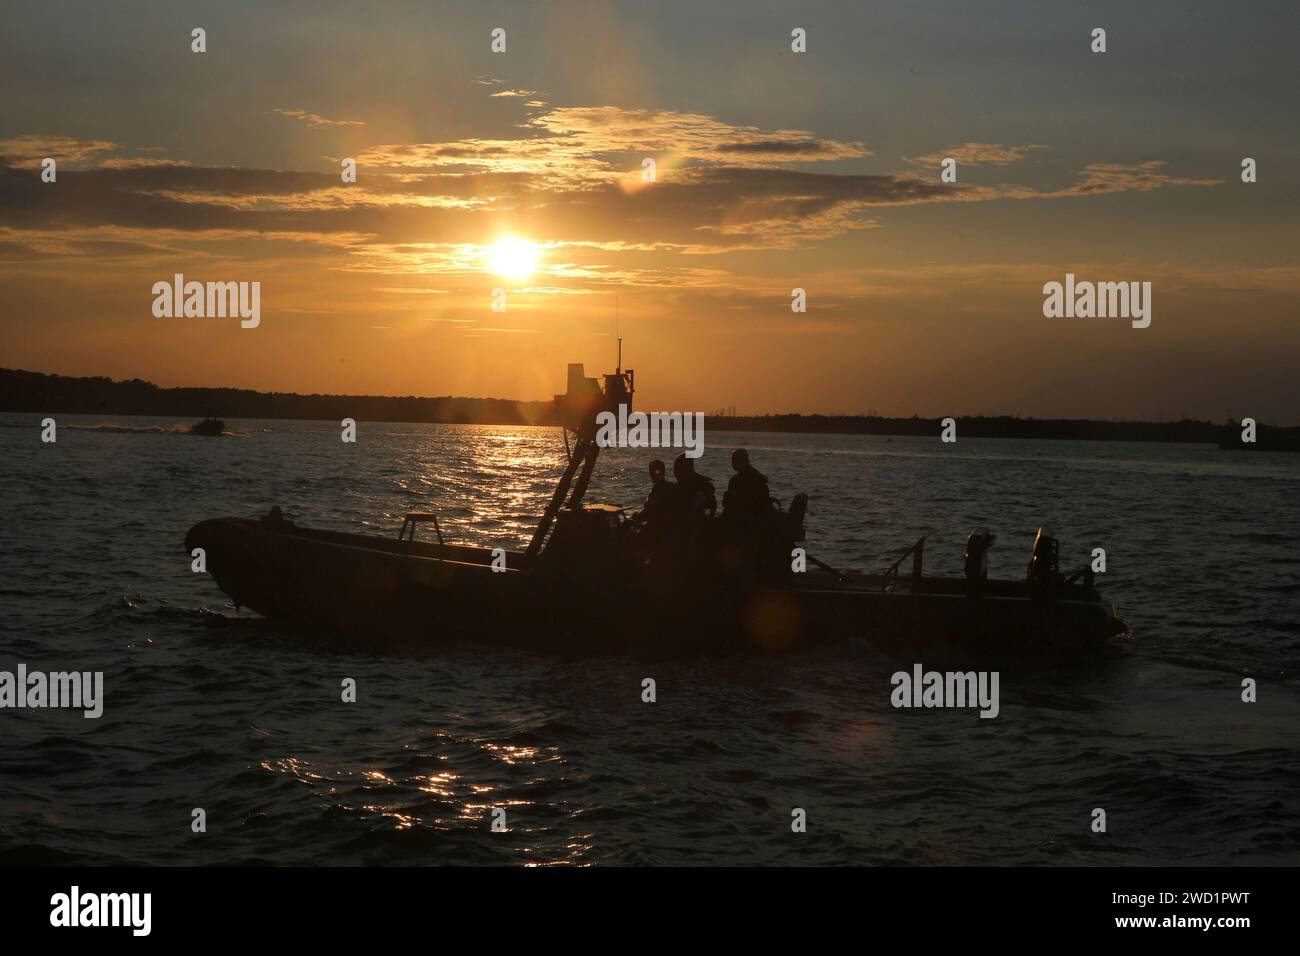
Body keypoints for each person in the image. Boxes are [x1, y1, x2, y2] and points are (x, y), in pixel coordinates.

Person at [722, 448, 770, 520]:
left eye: (734, 460)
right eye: (732, 460)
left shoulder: (739, 480)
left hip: (744, 519)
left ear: (742, 460)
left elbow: (734, 504)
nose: (732, 463)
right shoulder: (756, 476)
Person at [672, 453, 716, 521]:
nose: (675, 471)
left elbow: (712, 504)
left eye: (677, 467)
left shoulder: (702, 484)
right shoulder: (677, 486)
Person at [632, 459, 674, 526]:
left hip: (657, 527)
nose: (650, 474)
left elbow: (649, 512)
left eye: (652, 471)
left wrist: (636, 516)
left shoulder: (658, 489)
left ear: (658, 472)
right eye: (650, 471)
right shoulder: (670, 486)